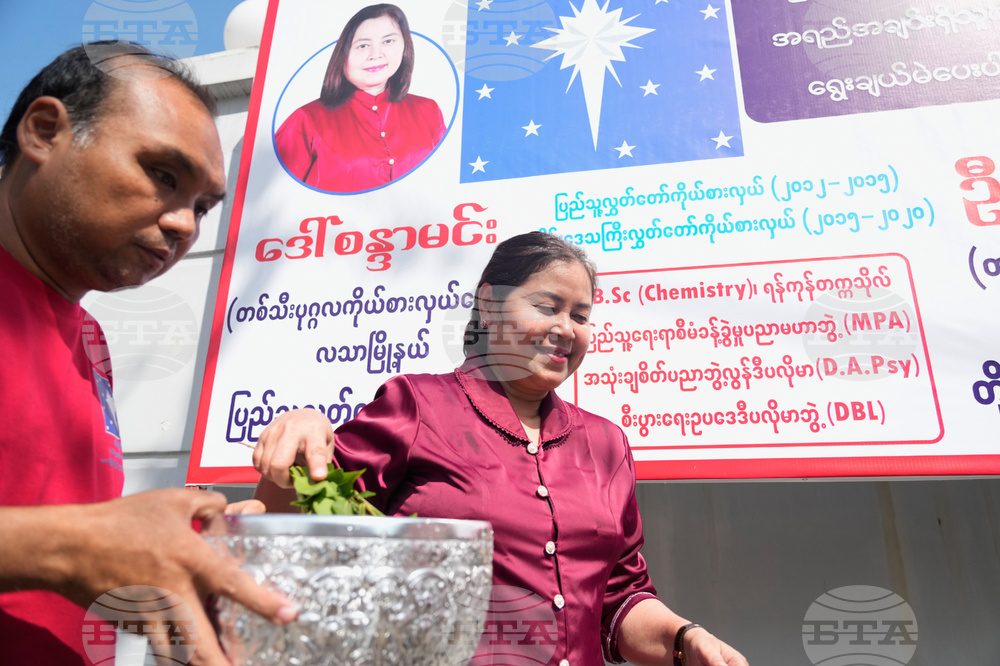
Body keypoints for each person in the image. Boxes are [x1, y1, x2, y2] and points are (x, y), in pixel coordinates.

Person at [252, 232, 749, 666]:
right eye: (546, 306)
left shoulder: (605, 444)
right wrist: (305, 434)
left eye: (581, 315)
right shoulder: (418, 405)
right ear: (488, 306)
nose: (566, 328)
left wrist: (686, 640)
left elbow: (619, 597)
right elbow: (302, 528)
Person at [0, 42, 296, 665]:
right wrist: (71, 547)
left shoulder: (89, 338)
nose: (185, 224)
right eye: (164, 175)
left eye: (203, 206)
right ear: (45, 131)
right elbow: (71, 546)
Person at [274, 3, 446, 193]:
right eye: (363, 45)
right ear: (343, 54)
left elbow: (446, 183)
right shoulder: (306, 119)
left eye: (388, 41)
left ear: (405, 46)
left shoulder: (428, 110)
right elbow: (275, 197)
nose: (375, 55)